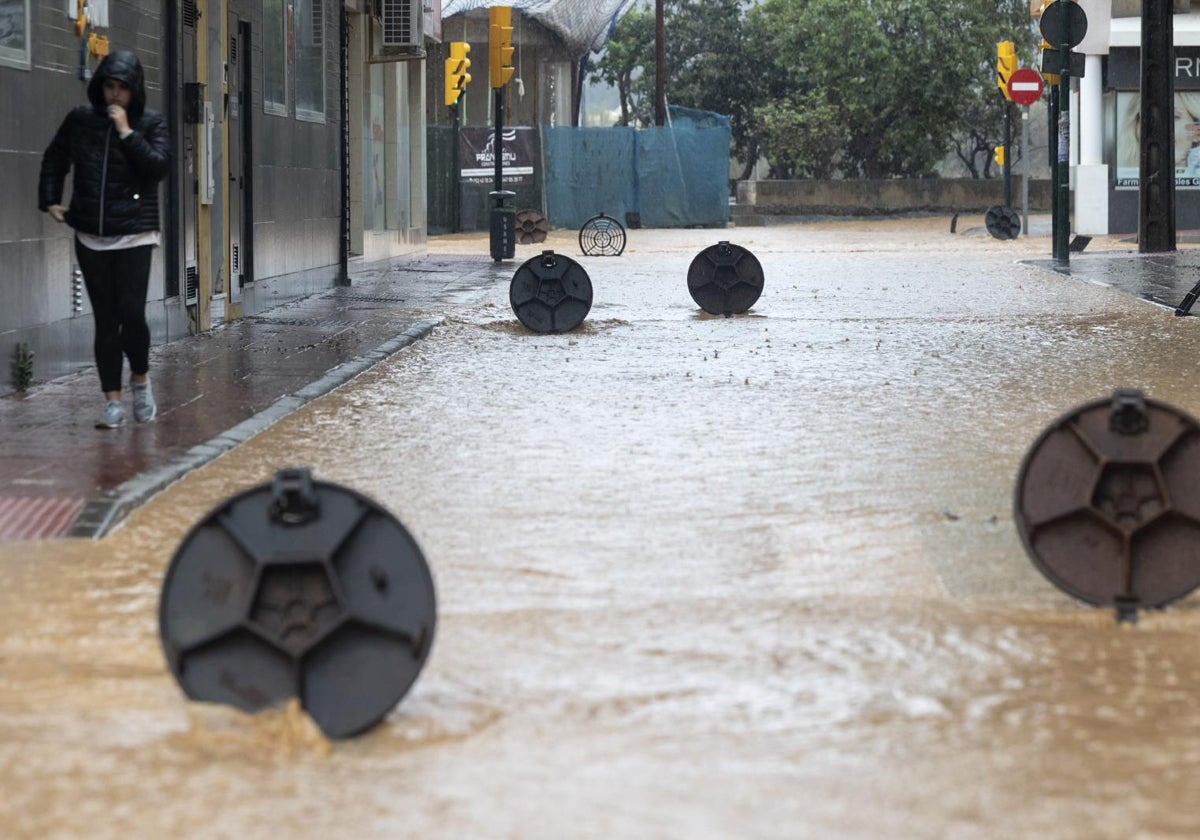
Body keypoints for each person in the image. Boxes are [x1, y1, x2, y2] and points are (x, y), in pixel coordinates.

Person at [38, 50, 170, 429]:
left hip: (135, 234)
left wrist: (127, 132)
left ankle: (141, 381)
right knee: (106, 320)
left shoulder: (150, 122)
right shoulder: (81, 120)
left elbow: (157, 167)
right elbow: (55, 157)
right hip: (90, 235)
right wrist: (50, 200)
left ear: (135, 92)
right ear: (100, 87)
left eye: (122, 89)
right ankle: (112, 402)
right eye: (109, 87)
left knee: (131, 314)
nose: (115, 96)